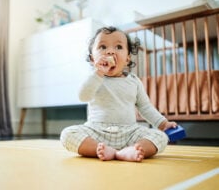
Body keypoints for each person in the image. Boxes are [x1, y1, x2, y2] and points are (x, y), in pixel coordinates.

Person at [60, 26, 177, 162]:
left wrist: (163, 124)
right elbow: (83, 96)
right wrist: (98, 73)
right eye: (103, 47)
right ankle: (101, 149)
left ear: (127, 59)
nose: (110, 51)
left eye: (118, 47)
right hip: (96, 131)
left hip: (130, 133)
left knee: (160, 136)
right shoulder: (94, 78)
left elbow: (145, 107)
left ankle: (132, 150)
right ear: (93, 59)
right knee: (67, 134)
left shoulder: (134, 81)